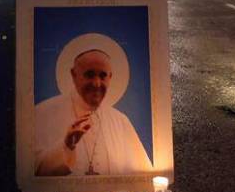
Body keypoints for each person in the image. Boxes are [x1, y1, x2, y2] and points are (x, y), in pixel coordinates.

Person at [34, 41, 152, 176]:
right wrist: (66, 146)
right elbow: (32, 171)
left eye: (103, 76)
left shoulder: (120, 121)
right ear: (74, 75)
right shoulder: (43, 113)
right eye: (89, 75)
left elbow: (143, 177)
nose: (96, 83)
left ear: (110, 77)